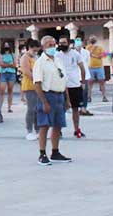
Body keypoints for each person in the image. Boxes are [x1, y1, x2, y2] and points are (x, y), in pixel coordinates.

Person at [31, 36, 72, 165]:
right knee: (44, 125)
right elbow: (37, 83)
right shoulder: (40, 62)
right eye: (49, 45)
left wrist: (67, 99)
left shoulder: (58, 60)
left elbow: (63, 79)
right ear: (43, 47)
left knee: (58, 125)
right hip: (47, 95)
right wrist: (44, 102)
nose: (52, 47)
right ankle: (42, 153)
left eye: (53, 44)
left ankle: (55, 151)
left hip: (59, 95)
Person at [60, 37, 89, 135]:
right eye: (60, 43)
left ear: (69, 43)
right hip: (61, 85)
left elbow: (82, 68)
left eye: (64, 42)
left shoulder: (75, 54)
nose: (61, 44)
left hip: (75, 85)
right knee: (61, 109)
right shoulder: (57, 55)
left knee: (75, 108)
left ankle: (76, 129)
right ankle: (58, 130)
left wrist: (83, 82)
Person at [19, 41, 39, 140]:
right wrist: (36, 80)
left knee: (37, 109)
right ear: (29, 48)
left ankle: (38, 129)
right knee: (31, 109)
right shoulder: (25, 57)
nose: (35, 52)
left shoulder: (35, 57)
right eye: (34, 50)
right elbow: (26, 71)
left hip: (37, 86)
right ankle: (29, 131)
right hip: (29, 85)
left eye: (37, 50)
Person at [85, 36, 109, 105]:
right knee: (90, 82)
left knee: (102, 81)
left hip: (99, 67)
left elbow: (104, 55)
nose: (92, 40)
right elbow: (88, 54)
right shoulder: (88, 47)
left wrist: (96, 55)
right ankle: (89, 97)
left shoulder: (100, 47)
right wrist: (92, 50)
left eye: (93, 39)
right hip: (90, 67)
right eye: (91, 39)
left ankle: (104, 96)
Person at [0, 45, 16, 112]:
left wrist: (6, 64)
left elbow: (14, 65)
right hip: (3, 74)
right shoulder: (1, 55)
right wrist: (10, 64)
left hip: (11, 73)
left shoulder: (12, 55)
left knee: (10, 91)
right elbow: (1, 65)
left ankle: (9, 107)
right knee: (2, 91)